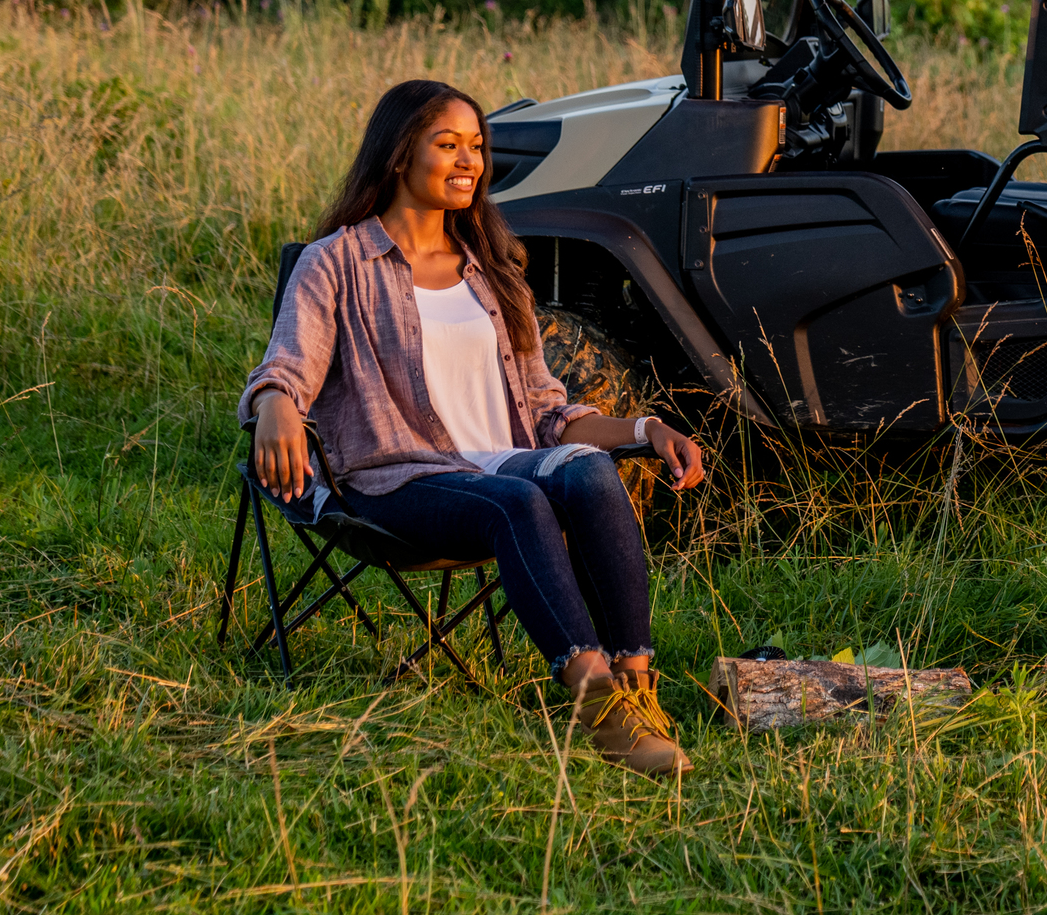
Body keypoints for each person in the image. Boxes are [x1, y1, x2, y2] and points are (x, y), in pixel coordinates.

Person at [241, 78, 708, 778]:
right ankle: (599, 709)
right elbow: (289, 365)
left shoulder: (492, 272)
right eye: (448, 144)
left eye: (478, 147)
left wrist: (646, 426)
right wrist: (276, 402)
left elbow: (551, 412)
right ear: (399, 155)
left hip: (499, 461)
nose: (470, 162)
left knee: (586, 467)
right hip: (395, 478)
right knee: (517, 502)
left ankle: (638, 683)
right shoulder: (335, 262)